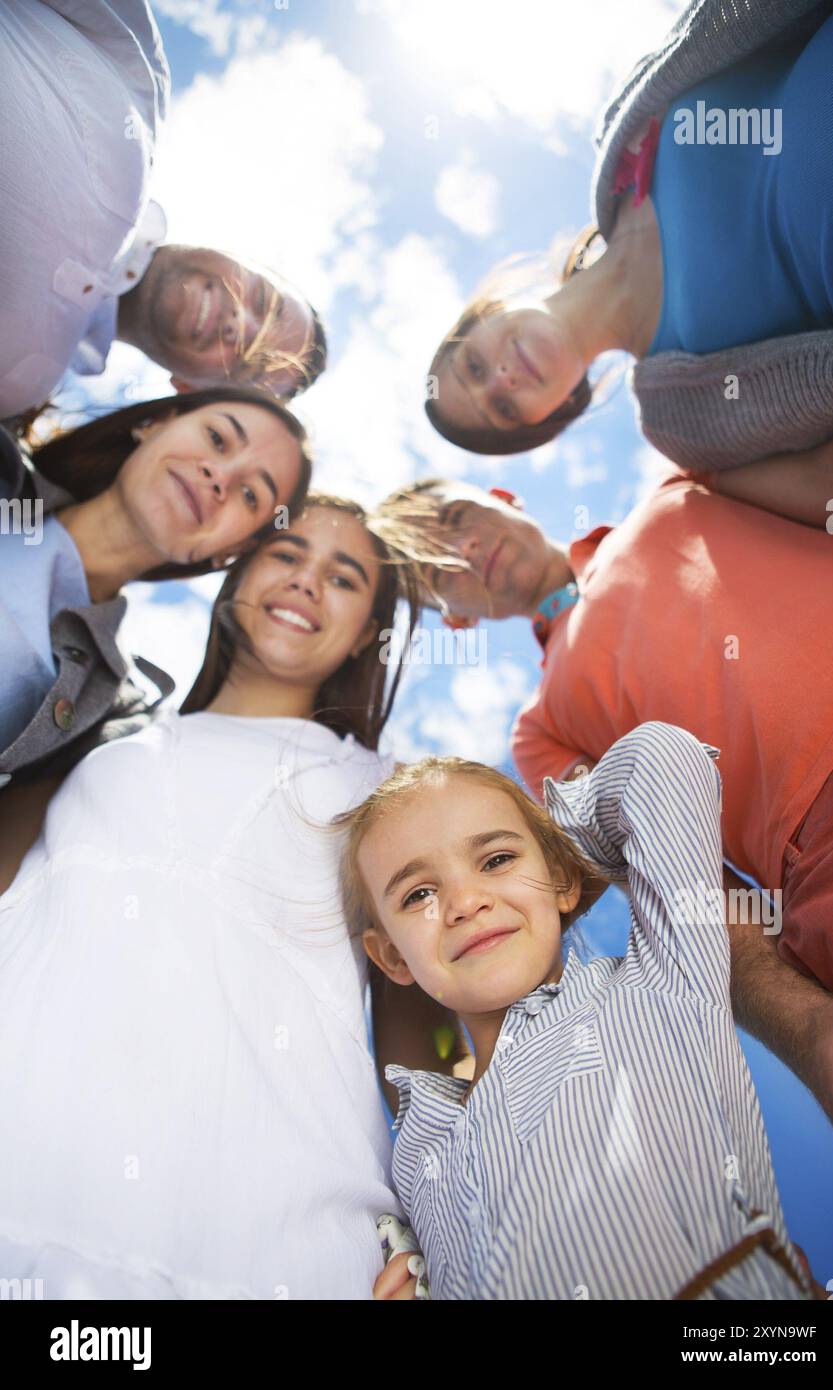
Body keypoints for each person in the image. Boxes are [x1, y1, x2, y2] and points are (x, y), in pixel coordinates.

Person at [0, 495, 456, 1299]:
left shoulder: (384, 793)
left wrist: (451, 1236)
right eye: (285, 555)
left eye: (344, 578)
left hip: (259, 1245)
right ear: (235, 578)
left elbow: (418, 1056)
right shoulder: (95, 737)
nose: (307, 581)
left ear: (367, 634)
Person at [373, 474, 833, 1161]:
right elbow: (675, 881)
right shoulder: (543, 732)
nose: (461, 553)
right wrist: (806, 1024)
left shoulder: (679, 487)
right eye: (433, 572)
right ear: (453, 618)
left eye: (456, 518)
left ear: (504, 497)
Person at [339, 723, 817, 1300]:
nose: (465, 903)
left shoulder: (659, 984)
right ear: (393, 956)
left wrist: (558, 843)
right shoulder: (417, 1148)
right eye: (419, 895)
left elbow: (662, 761)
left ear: (562, 879)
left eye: (496, 859)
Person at [422, 0, 833, 492]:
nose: (500, 380)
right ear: (553, 415)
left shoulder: (622, 131)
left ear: (487, 308)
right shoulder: (682, 420)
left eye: (474, 366)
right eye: (503, 409)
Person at [0, 1, 325, 420]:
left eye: (248, 361)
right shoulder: (137, 75)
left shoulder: (17, 388)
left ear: (189, 390)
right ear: (242, 257)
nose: (238, 325)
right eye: (261, 299)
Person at [0, 386, 311, 793]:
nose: (221, 476)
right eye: (217, 438)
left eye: (252, 495)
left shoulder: (116, 713)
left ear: (229, 552)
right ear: (151, 424)